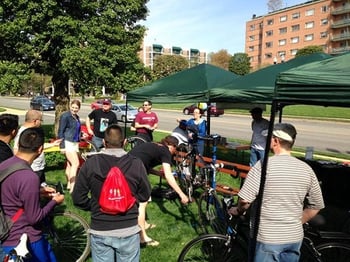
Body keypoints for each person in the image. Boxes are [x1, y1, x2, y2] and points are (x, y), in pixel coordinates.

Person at [230, 123, 324, 262]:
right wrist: (297, 222)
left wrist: (238, 211)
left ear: (275, 141)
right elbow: (316, 205)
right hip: (294, 237)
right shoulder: (306, 169)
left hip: (267, 238)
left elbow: (244, 200)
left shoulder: (263, 166)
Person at [72, 124, 151, 262]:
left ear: (104, 142)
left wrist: (97, 205)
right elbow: (145, 193)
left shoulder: (91, 164)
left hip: (100, 228)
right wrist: (129, 202)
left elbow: (78, 198)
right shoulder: (136, 164)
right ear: (125, 142)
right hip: (128, 228)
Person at [0, 127, 65, 262]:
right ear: (40, 149)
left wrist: (37, 192)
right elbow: (34, 218)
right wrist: (54, 202)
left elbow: (11, 192)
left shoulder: (5, 165)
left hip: (5, 232)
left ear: (18, 144)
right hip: (25, 239)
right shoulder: (29, 177)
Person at [129, 136, 189, 246]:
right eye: (175, 150)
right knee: (142, 203)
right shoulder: (165, 151)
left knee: (144, 199)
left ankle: (144, 224)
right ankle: (142, 237)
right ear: (172, 146)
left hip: (127, 166)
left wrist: (158, 174)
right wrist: (181, 194)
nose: (174, 153)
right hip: (134, 171)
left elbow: (144, 163)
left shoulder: (155, 145)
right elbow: (169, 175)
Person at [13, 110, 61, 184]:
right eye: (41, 120)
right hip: (32, 169)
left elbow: (35, 145)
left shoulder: (31, 131)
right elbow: (16, 151)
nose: (41, 123)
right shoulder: (23, 133)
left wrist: (53, 144)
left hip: (39, 168)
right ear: (35, 121)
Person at [58, 99, 82, 193]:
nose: (74, 109)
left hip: (75, 142)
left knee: (69, 165)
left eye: (76, 108)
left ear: (79, 108)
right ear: (70, 106)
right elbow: (61, 131)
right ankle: (73, 187)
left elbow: (75, 129)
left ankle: (68, 184)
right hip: (68, 143)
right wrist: (62, 146)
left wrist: (81, 134)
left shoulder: (76, 117)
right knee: (76, 164)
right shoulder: (65, 116)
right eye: (73, 107)